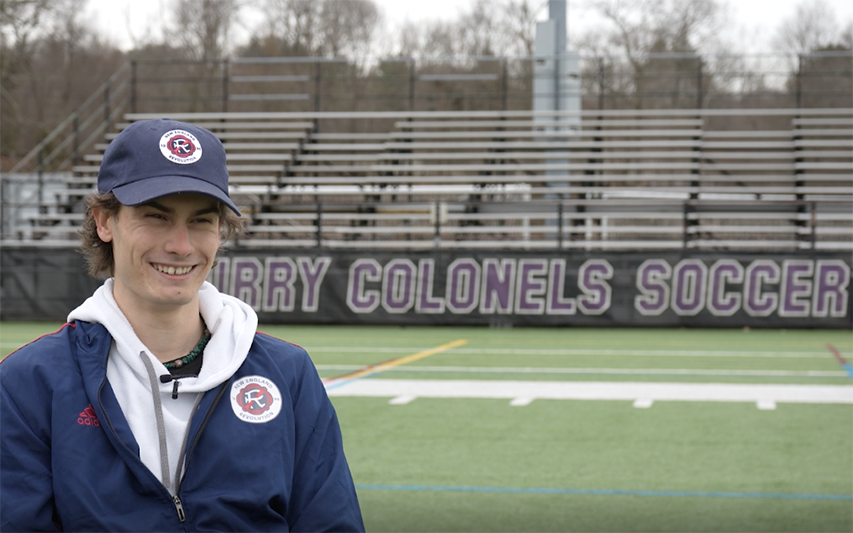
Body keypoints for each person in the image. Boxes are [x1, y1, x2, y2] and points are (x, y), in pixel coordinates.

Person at [0, 119, 365, 532]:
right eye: (156, 216)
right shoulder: (28, 384)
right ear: (104, 222)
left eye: (201, 220)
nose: (181, 245)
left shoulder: (288, 374)